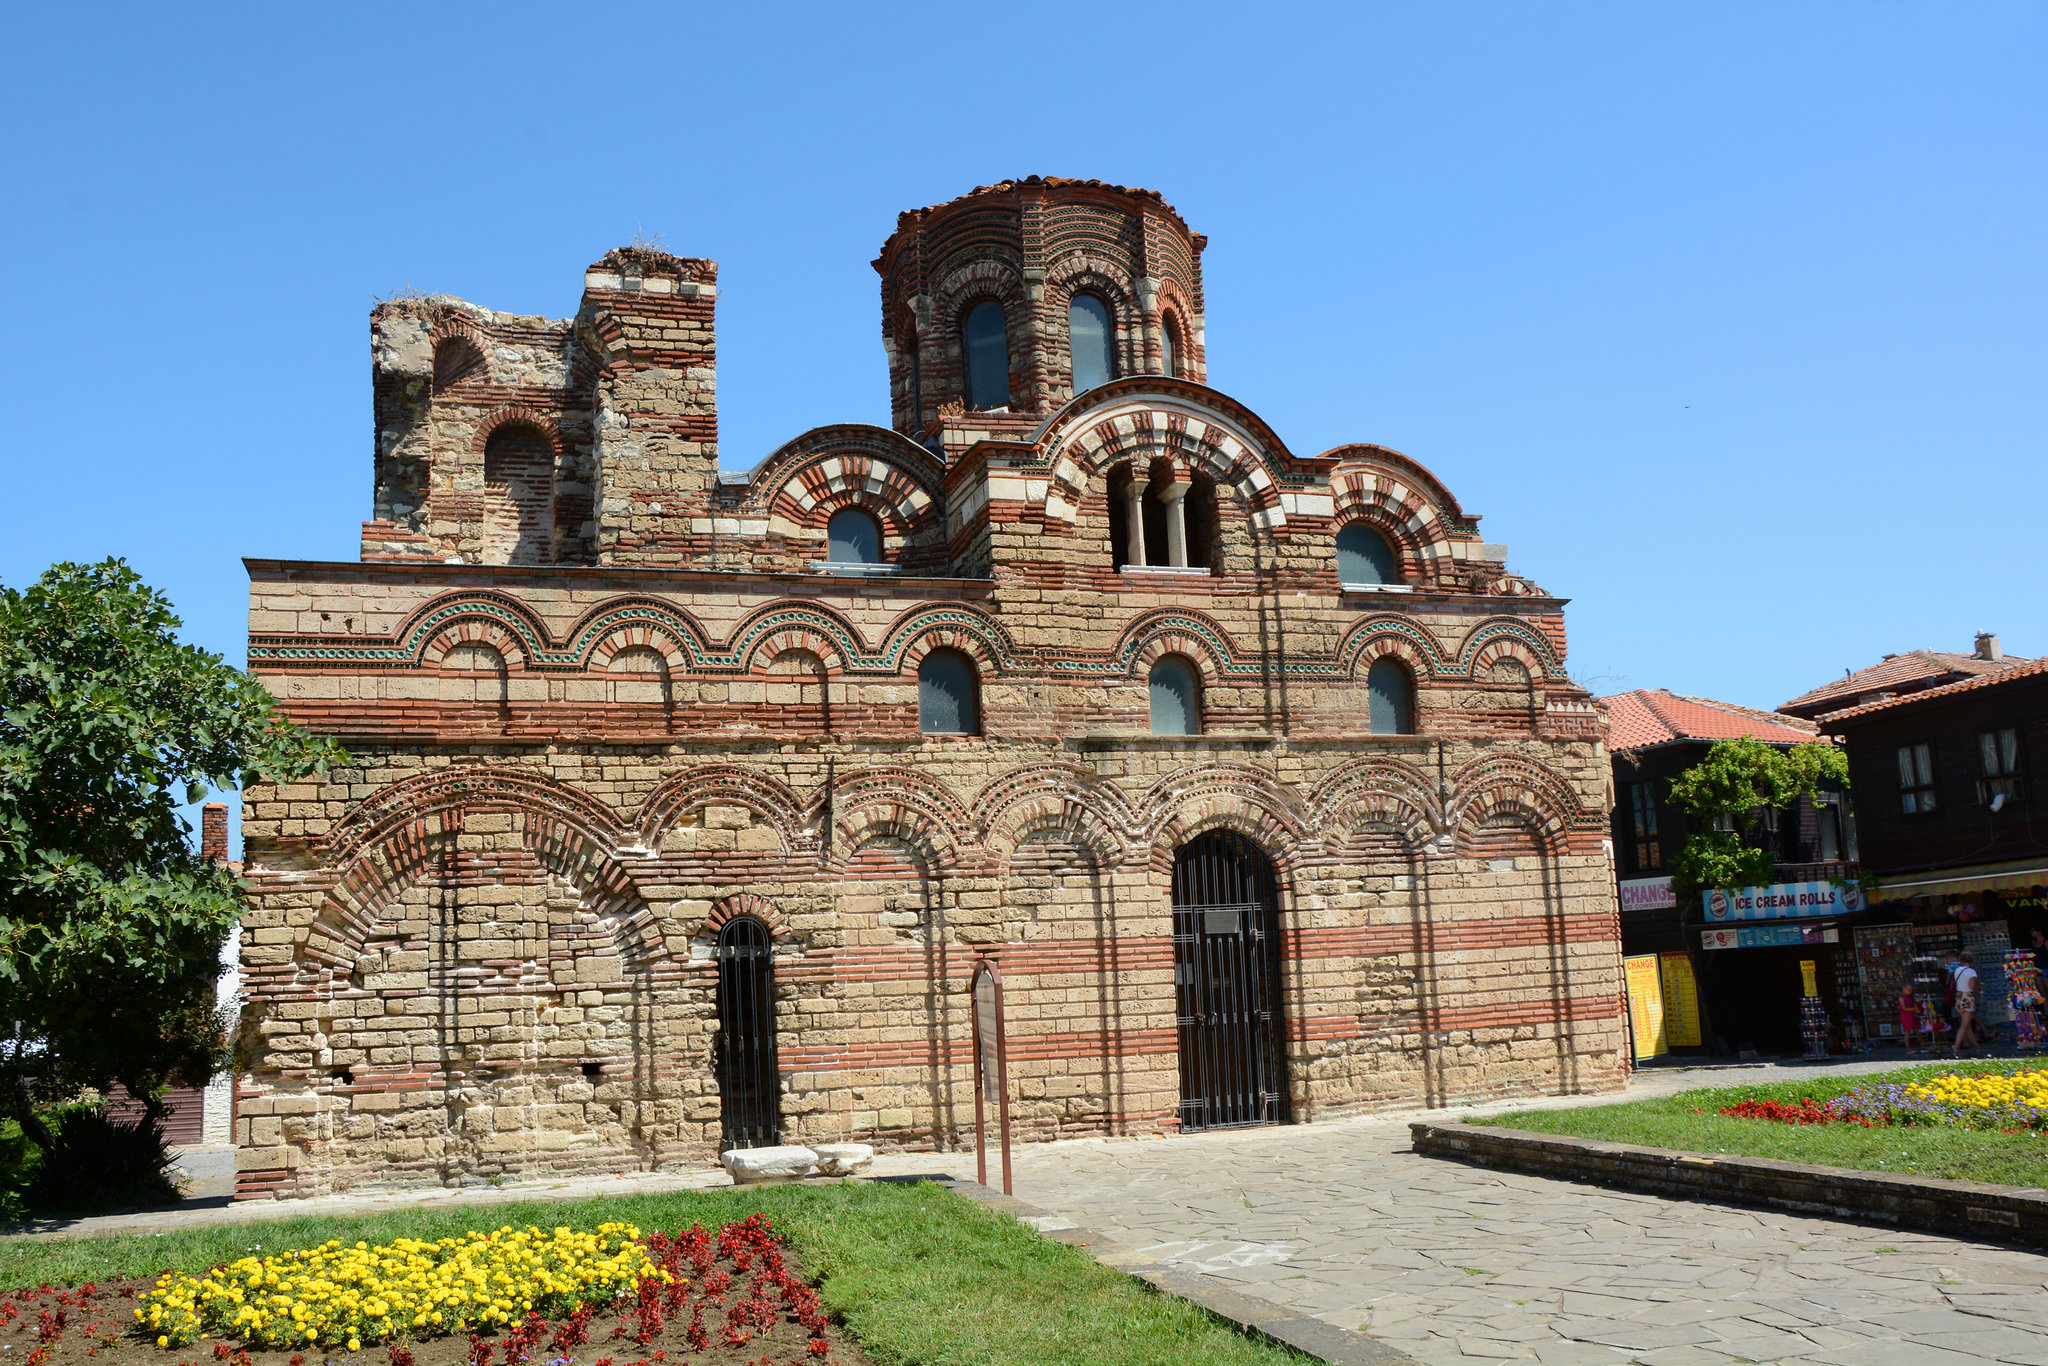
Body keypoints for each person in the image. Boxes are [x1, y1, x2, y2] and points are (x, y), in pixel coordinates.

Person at [1951, 950, 1982, 1057]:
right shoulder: (1971, 972)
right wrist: (1980, 987)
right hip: (1967, 998)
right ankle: (1956, 1046)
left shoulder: (1957, 971)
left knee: (1967, 1025)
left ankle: (1977, 1047)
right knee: (1964, 1025)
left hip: (1959, 998)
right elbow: (1972, 986)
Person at [1898, 984, 1920, 1054]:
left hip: (1912, 1015)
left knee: (1918, 1030)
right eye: (1908, 990)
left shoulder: (1909, 997)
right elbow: (1904, 1008)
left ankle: (1923, 1045)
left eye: (1911, 990)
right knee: (1907, 1032)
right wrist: (1914, 1009)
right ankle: (1908, 1048)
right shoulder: (1901, 997)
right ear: (1904, 989)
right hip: (1906, 1016)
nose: (1909, 992)